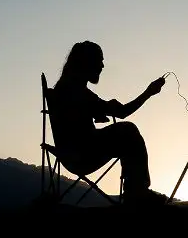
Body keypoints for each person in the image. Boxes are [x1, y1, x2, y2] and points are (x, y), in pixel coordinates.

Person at [49, 40, 170, 206]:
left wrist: (97, 112)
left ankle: (136, 191)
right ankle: (137, 193)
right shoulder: (76, 91)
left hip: (72, 153)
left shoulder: (66, 89)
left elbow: (76, 118)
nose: (102, 66)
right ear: (86, 63)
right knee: (128, 131)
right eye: (99, 61)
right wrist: (148, 92)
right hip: (82, 155)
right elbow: (122, 112)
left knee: (126, 131)